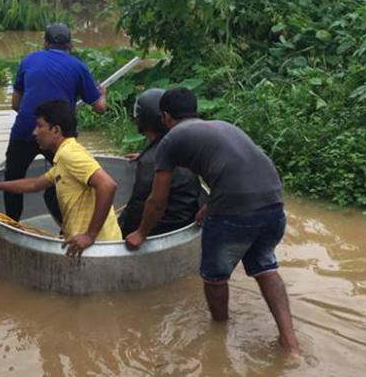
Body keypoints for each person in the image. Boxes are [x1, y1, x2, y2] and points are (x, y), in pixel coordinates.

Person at [125, 88, 301, 356]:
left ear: (165, 117)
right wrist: (208, 204)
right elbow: (232, 168)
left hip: (235, 210)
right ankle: (290, 344)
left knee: (214, 278)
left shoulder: (171, 140)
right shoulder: (220, 127)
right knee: (265, 268)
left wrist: (140, 233)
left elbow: (156, 201)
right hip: (273, 202)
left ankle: (219, 337)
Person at [0, 100, 122, 257]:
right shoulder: (63, 156)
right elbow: (34, 184)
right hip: (85, 245)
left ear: (56, 130)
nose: (34, 132)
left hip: (98, 247)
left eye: (39, 126)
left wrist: (90, 235)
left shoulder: (70, 155)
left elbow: (107, 185)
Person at [5, 23, 106, 222]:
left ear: (45, 42)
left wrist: (35, 120)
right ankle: (66, 224)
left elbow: (16, 104)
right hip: (57, 134)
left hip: (26, 129)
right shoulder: (78, 66)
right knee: (64, 180)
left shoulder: (28, 60)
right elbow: (100, 108)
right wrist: (102, 94)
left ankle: (12, 225)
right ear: (70, 44)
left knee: (14, 179)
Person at [119, 88, 202, 237]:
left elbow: (138, 208)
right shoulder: (184, 143)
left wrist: (121, 232)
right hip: (187, 222)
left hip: (163, 230)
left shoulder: (151, 161)